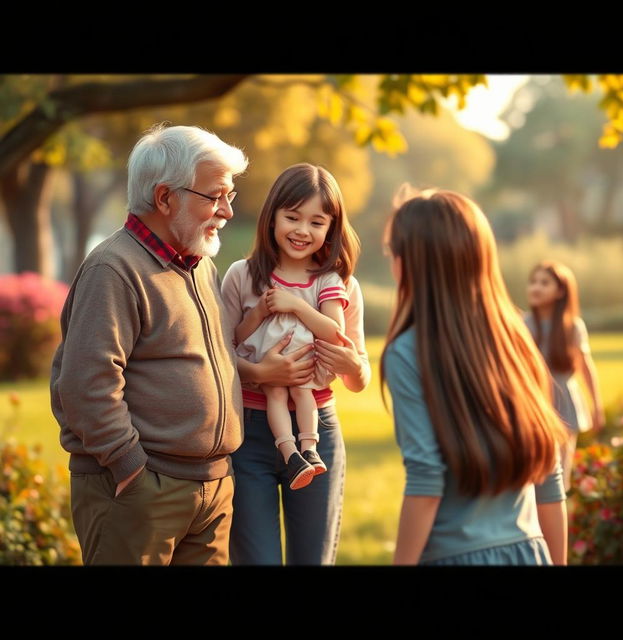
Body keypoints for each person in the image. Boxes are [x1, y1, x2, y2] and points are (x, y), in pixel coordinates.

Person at [50, 124, 248, 565]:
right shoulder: (113, 268)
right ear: (164, 198)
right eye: (215, 196)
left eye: (229, 196)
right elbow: (85, 383)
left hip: (212, 489)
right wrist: (129, 466)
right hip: (141, 488)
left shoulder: (200, 265)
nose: (227, 211)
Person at [381, 185, 569, 566]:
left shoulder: (407, 352)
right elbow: (550, 476)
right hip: (530, 552)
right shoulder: (515, 335)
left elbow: (426, 482)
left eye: (392, 252)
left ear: (409, 263)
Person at [221, 163, 369, 564]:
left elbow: (359, 376)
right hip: (249, 436)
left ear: (331, 228)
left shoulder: (340, 284)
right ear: (272, 217)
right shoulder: (241, 277)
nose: (302, 230)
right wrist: (261, 374)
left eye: (316, 221)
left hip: (316, 429)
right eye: (292, 217)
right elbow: (219, 357)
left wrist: (352, 365)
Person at [524, 260, 605, 491]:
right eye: (533, 282)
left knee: (559, 477)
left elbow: (585, 367)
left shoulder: (574, 327)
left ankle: (559, 524)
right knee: (532, 475)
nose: (536, 288)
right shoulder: (523, 324)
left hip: (565, 405)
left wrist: (596, 406)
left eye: (544, 283)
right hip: (533, 406)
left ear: (561, 291)